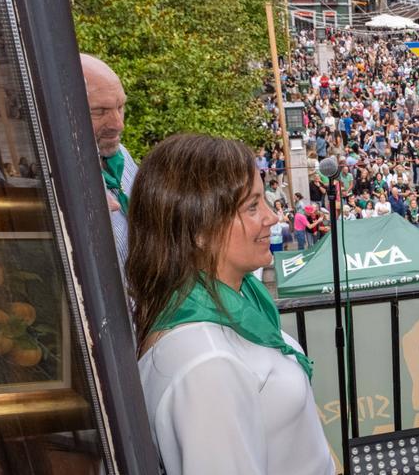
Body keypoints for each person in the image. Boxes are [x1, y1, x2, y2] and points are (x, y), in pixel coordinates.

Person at [128, 134, 334, 475]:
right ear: (199, 229)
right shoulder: (209, 366)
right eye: (252, 206)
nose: (271, 216)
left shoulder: (228, 301)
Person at [81, 54, 136, 269]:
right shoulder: (59, 178)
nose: (118, 124)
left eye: (120, 107)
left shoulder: (121, 155)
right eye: (99, 111)